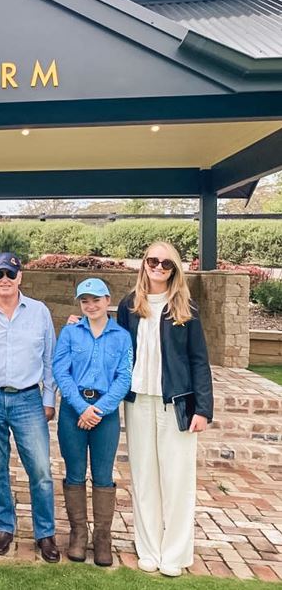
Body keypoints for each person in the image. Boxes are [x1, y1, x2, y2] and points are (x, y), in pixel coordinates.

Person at [117, 241, 213, 577]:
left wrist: (203, 408)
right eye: (152, 261)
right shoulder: (129, 305)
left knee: (177, 480)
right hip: (138, 401)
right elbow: (117, 347)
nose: (158, 267)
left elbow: (199, 360)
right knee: (144, 479)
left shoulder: (186, 307)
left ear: (175, 269)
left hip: (178, 404)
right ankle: (148, 549)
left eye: (166, 263)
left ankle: (174, 553)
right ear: (143, 264)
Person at [0, 252, 59, 563]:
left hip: (27, 398)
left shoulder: (39, 312)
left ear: (21, 276)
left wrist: (49, 399)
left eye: (10, 274)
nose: (5, 280)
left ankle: (45, 533)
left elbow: (50, 359)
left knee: (41, 470)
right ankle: (5, 526)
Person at [53, 278, 132, 565]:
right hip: (74, 410)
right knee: (74, 473)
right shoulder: (70, 332)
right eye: (85, 300)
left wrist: (99, 409)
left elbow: (124, 377)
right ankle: (78, 535)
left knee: (103, 475)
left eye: (96, 299)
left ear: (108, 300)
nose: (91, 305)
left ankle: (102, 538)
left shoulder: (122, 337)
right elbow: (60, 370)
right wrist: (80, 407)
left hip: (105, 413)